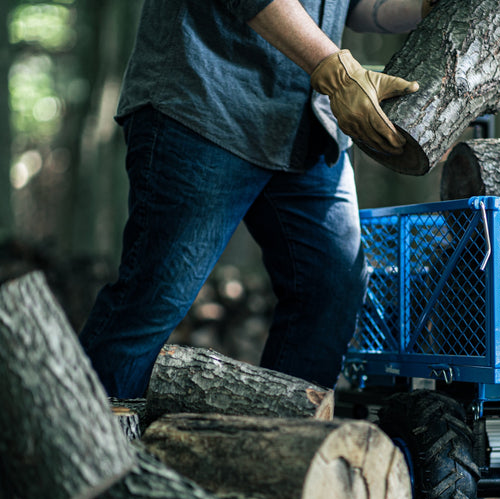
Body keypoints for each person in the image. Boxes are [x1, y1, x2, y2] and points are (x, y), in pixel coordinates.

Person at [79, 0, 433, 398]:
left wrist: (424, 5)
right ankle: (82, 447)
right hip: (204, 101)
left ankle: (284, 449)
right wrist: (338, 72)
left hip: (307, 126)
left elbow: (357, 7)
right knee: (153, 300)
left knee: (331, 292)